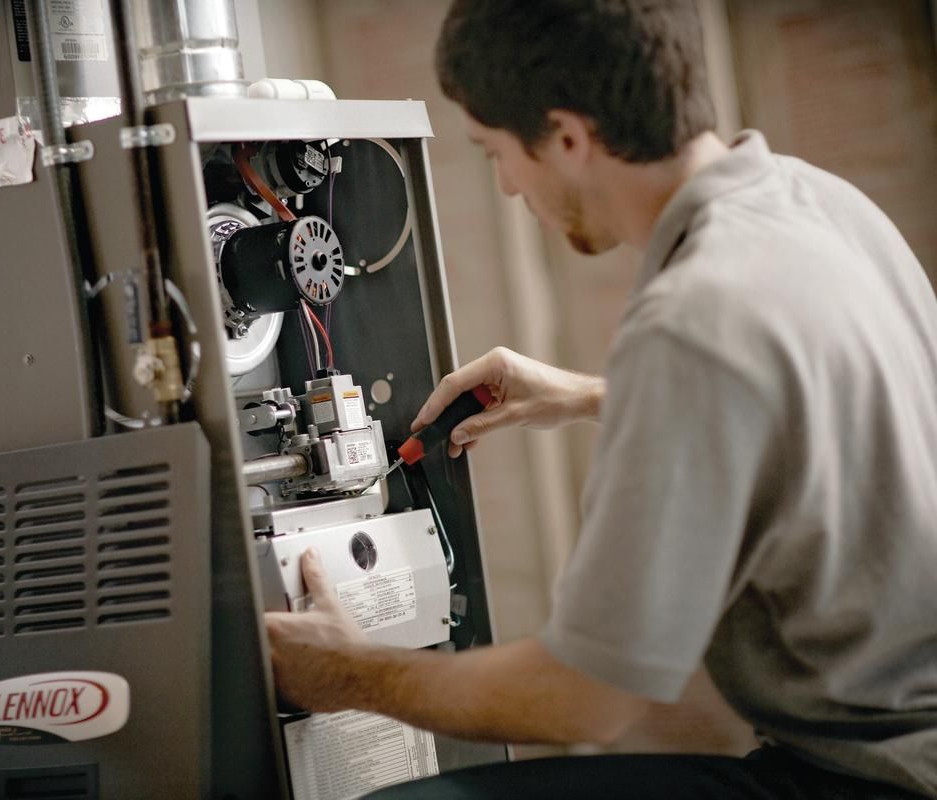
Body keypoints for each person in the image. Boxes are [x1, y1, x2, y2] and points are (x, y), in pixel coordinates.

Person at [264, 1, 937, 798]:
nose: (511, 189)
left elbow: (583, 698)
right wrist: (593, 396)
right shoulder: (824, 205)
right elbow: (811, 416)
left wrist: (349, 671)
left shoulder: (694, 321)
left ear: (569, 137)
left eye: (497, 155)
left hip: (871, 780)